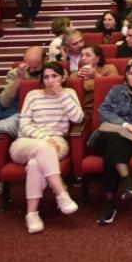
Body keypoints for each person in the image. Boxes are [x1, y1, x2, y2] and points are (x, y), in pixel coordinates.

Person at [10, 62, 83, 234]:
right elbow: (24, 124)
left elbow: (78, 119)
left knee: (35, 164)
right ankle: (61, 193)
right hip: (27, 142)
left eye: (54, 76)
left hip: (58, 142)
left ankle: (32, 213)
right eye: (46, 77)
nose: (50, 80)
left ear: (63, 77)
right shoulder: (33, 95)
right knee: (43, 148)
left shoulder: (69, 93)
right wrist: (44, 138)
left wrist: (61, 95)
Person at [91, 60, 132, 225]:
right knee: (114, 139)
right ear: (126, 75)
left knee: (112, 153)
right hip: (104, 136)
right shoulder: (116, 90)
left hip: (130, 142)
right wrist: (126, 125)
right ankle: (127, 181)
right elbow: (104, 112)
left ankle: (110, 202)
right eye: (131, 73)